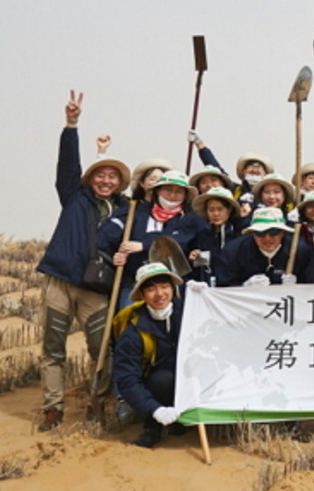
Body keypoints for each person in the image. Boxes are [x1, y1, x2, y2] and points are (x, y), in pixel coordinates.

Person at [36, 91, 130, 431]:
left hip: (97, 289)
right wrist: (71, 125)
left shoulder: (127, 210)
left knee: (101, 349)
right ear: (90, 179)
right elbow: (68, 164)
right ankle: (53, 409)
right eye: (100, 175)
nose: (106, 180)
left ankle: (96, 404)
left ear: (120, 183)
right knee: (53, 348)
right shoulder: (74, 196)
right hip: (60, 280)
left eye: (112, 177)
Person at [99, 170, 204, 310]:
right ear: (158, 190)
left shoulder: (190, 218)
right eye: (168, 190)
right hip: (134, 282)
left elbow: (178, 241)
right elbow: (107, 238)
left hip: (171, 287)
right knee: (129, 320)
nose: (172, 195)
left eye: (179, 192)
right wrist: (115, 256)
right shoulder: (135, 210)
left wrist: (144, 245)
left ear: (185, 195)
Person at [112, 262, 185, 448]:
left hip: (188, 378)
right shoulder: (133, 333)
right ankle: (152, 426)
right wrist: (155, 409)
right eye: (151, 289)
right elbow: (127, 379)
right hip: (157, 385)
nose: (159, 294)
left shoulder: (189, 313)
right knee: (162, 380)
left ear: (173, 289)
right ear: (142, 295)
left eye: (164, 286)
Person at [213, 207, 314, 286]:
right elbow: (223, 286)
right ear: (252, 233)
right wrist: (243, 286)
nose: (267, 238)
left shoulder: (300, 251)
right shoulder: (233, 251)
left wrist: (298, 285)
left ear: (282, 233)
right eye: (260, 233)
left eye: (273, 232)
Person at [188, 187, 243, 286]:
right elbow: (198, 270)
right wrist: (194, 259)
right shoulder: (201, 236)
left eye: (220, 209)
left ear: (229, 209)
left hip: (234, 289)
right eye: (211, 210)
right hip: (208, 290)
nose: (216, 214)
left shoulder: (238, 235)